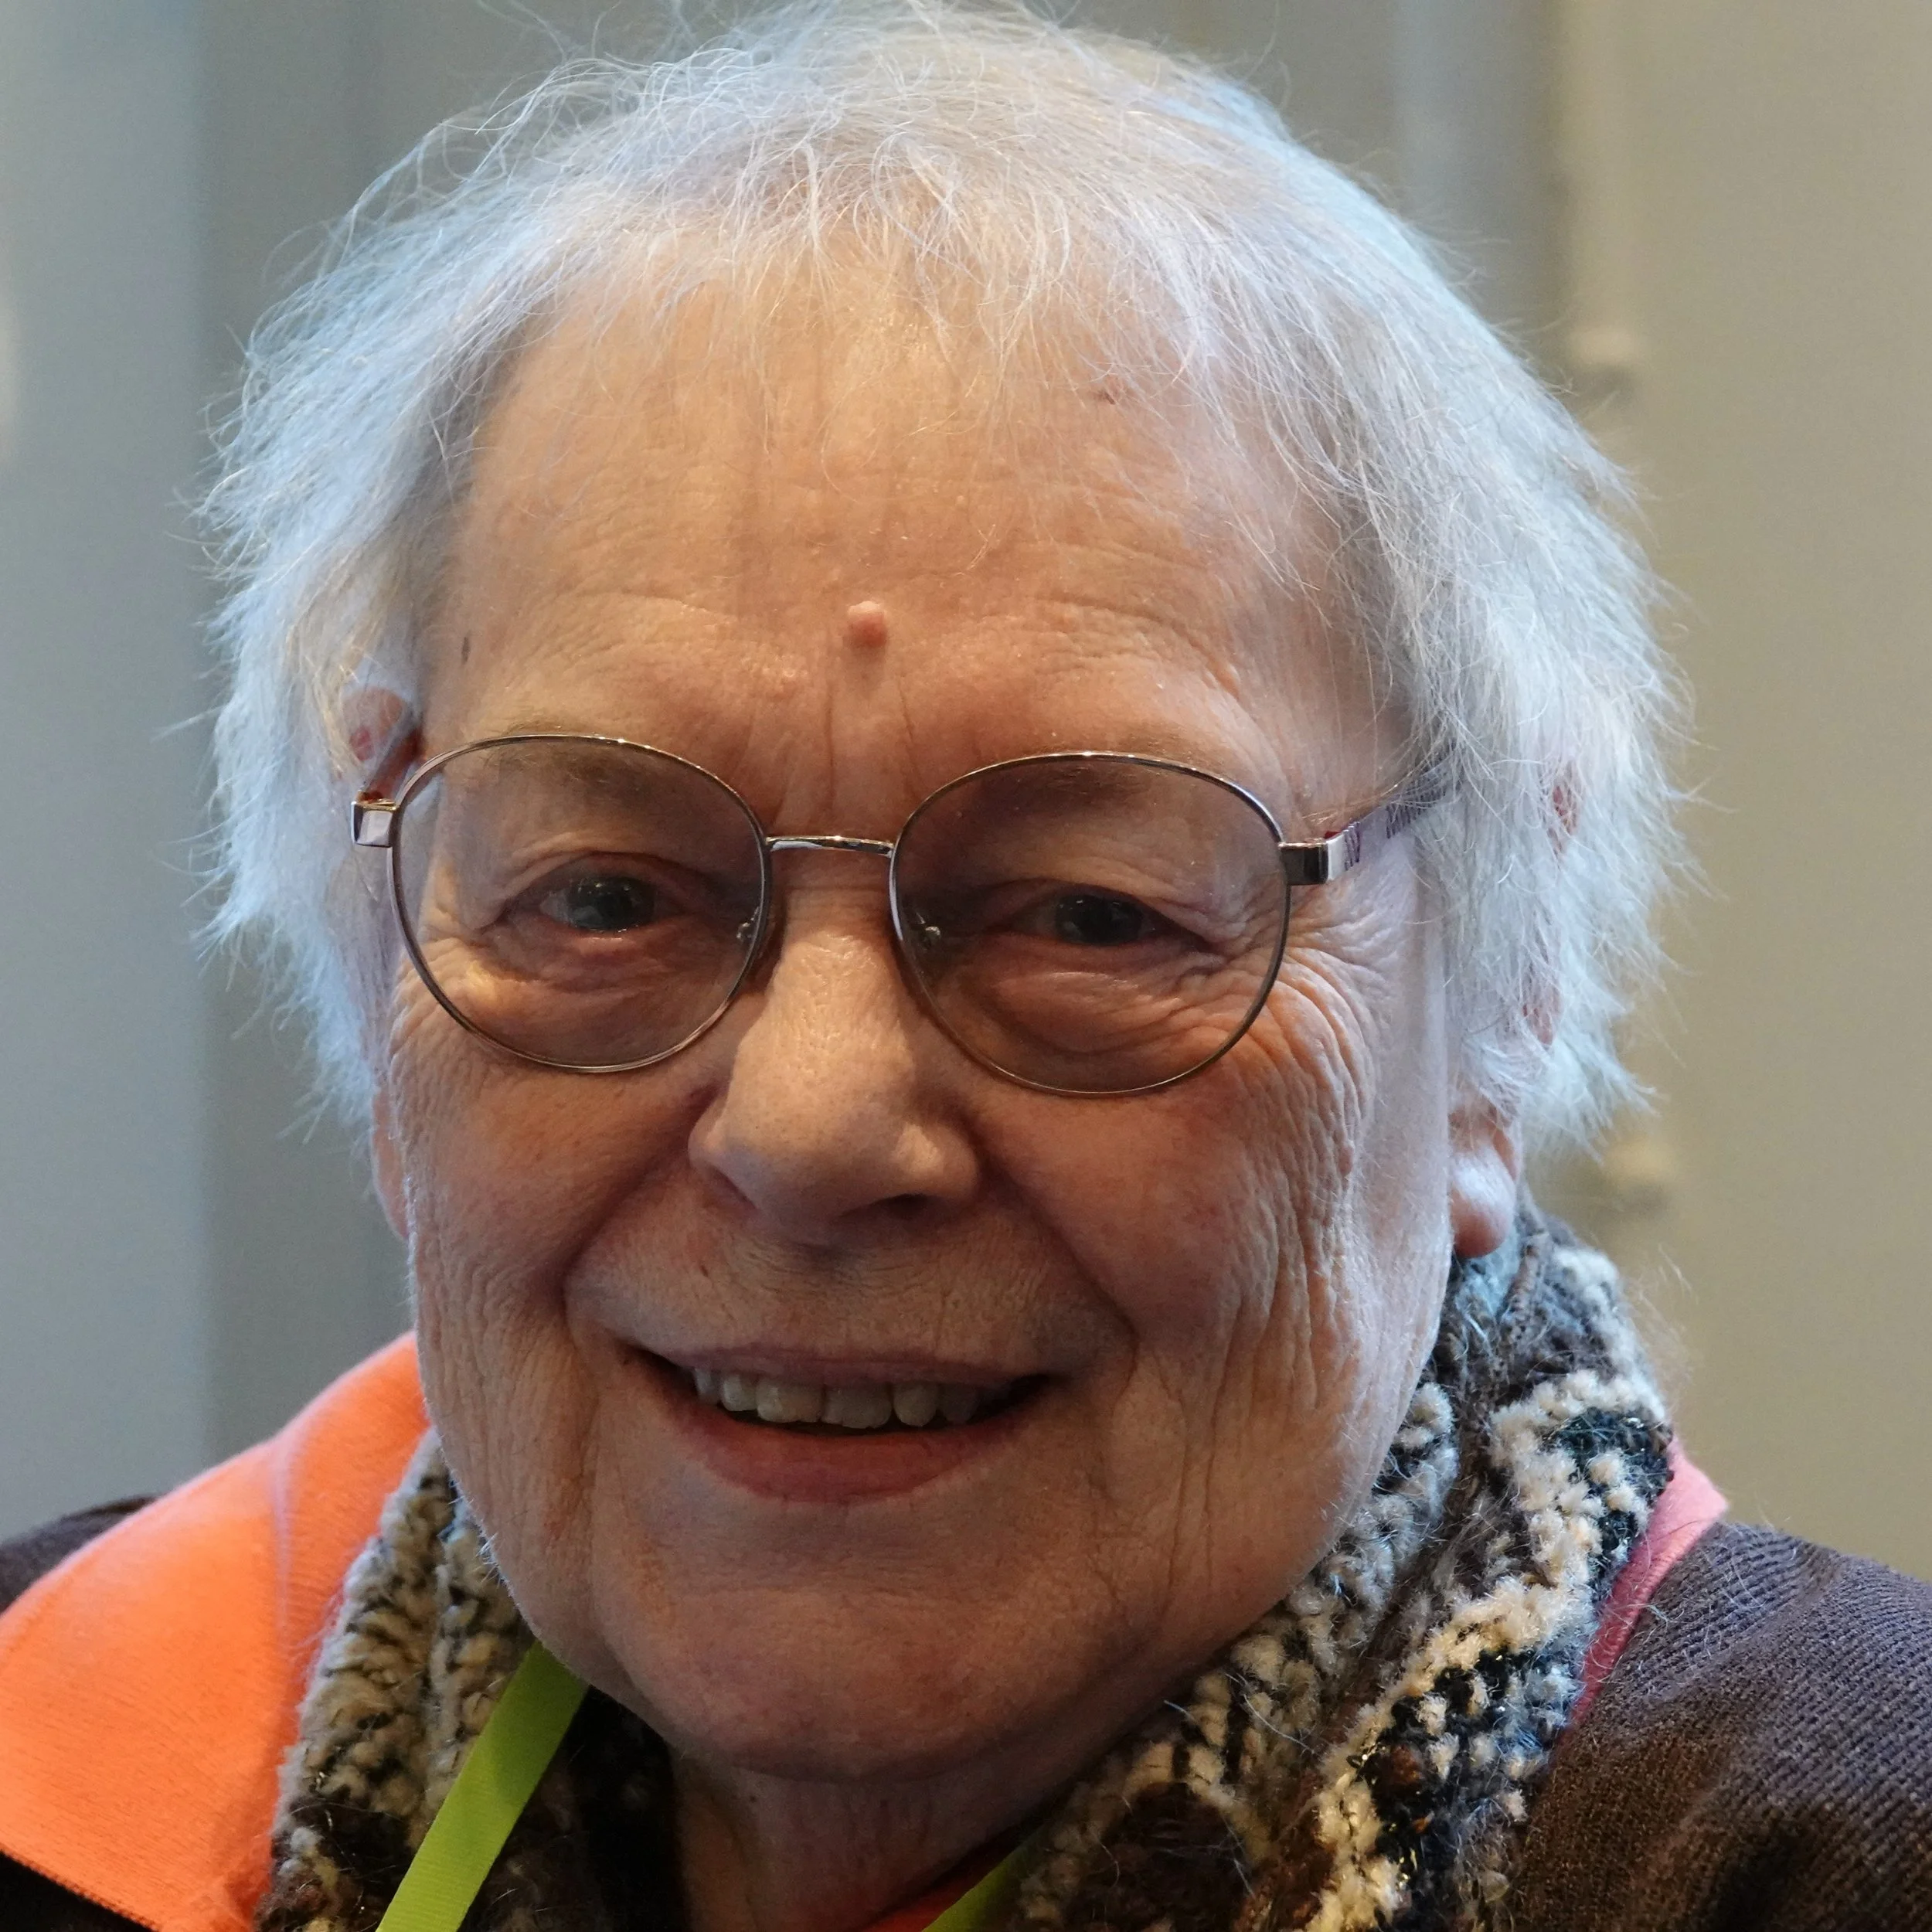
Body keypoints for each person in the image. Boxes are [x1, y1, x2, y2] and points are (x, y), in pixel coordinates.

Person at [2, 5, 1927, 1928]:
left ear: (1493, 1003)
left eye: (1090, 910)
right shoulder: (54, 1727)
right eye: (603, 896)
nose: (811, 1124)